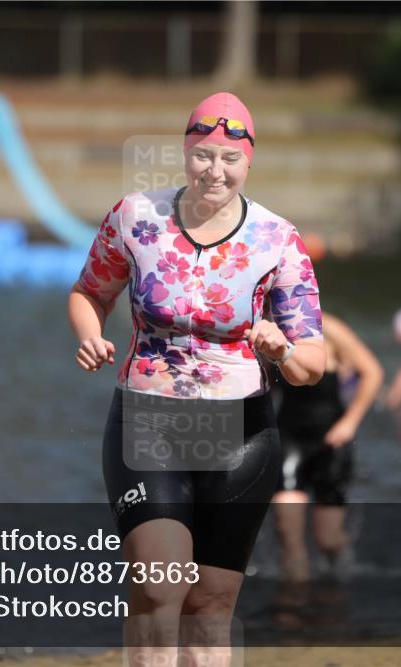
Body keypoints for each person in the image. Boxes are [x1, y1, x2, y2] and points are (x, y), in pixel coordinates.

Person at [67, 92, 326, 667]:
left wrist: (281, 349)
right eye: (204, 155)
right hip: (148, 420)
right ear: (186, 153)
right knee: (159, 587)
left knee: (210, 603)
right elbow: (89, 291)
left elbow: (314, 364)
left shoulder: (278, 240)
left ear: (249, 161)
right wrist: (89, 333)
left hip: (240, 430)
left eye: (230, 158)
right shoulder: (137, 217)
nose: (216, 170)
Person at [271, 313, 383, 582]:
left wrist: (351, 422)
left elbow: (373, 372)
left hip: (331, 438)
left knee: (327, 538)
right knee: (287, 531)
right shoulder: (268, 329)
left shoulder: (328, 328)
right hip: (288, 436)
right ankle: (295, 606)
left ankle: (342, 573)